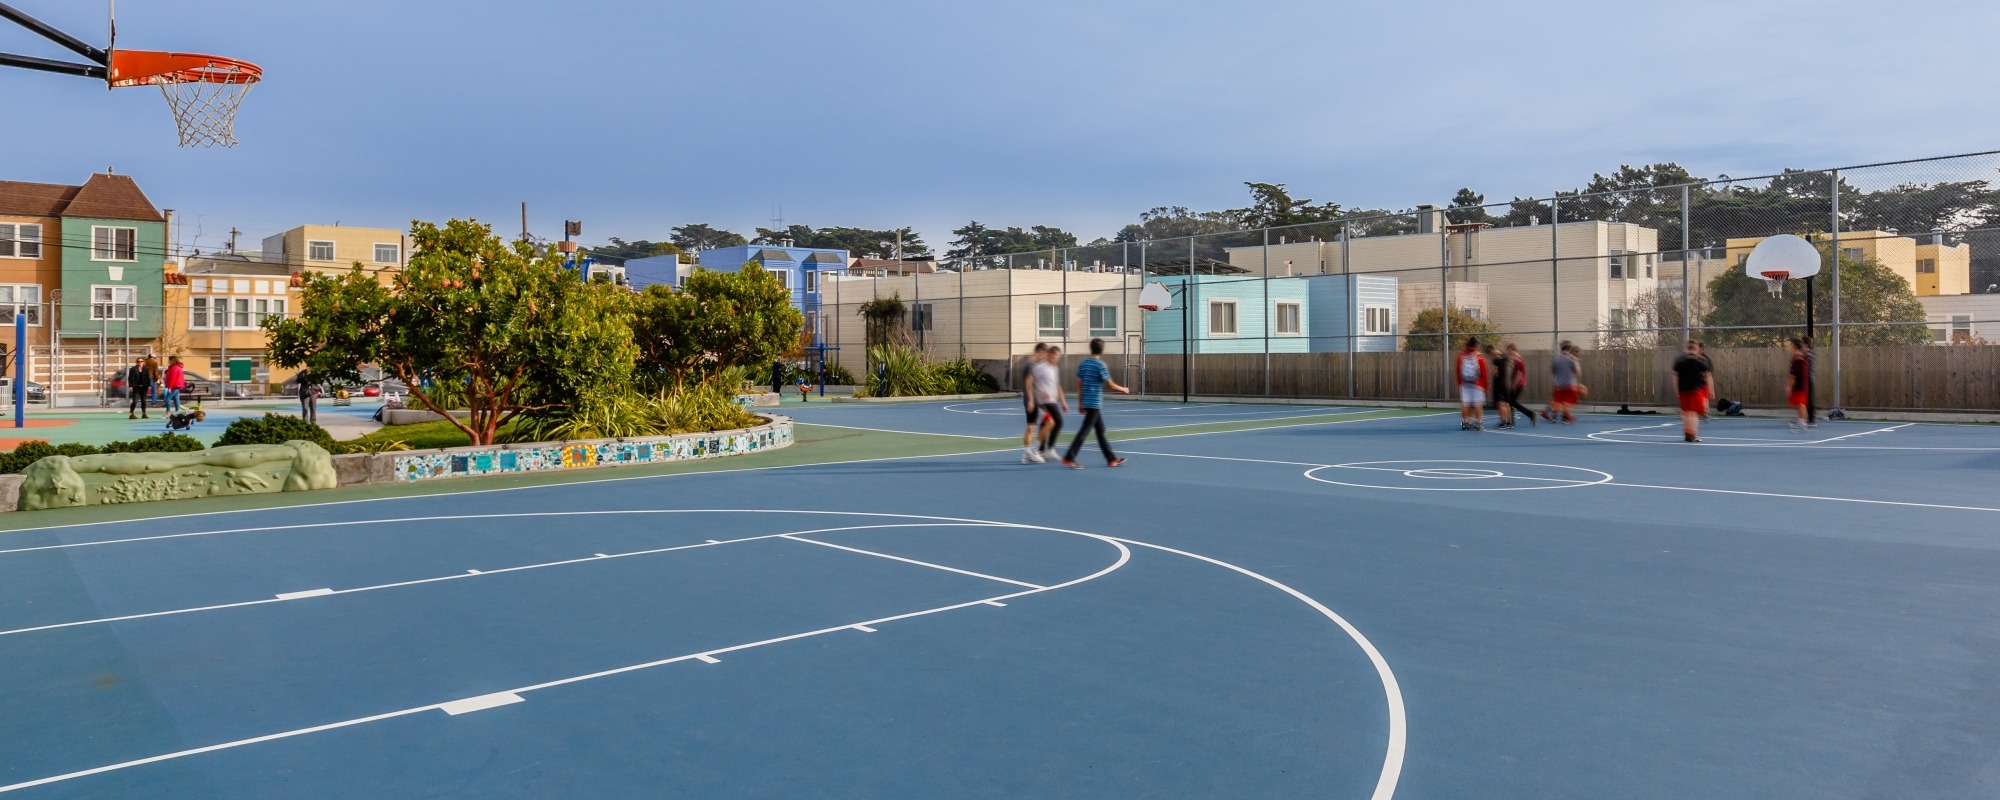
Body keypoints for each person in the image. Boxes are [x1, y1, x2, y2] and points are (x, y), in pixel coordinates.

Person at [1062, 338, 1131, 469]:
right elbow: (1110, 384)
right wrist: (1123, 389)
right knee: (1085, 430)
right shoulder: (1101, 365)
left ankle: (1111, 459)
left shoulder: (1083, 363)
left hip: (1088, 402)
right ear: (1102, 350)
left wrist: (1080, 403)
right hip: (1094, 403)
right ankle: (1069, 457)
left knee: (1100, 431)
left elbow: (1079, 383)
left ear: (1091, 348)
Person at [1671, 339, 1714, 443]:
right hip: (1696, 391)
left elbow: (1675, 377)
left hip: (1683, 391)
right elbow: (1708, 377)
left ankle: (1687, 432)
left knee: (1686, 412)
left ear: (1685, 349)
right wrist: (1711, 390)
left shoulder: (1680, 363)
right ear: (1697, 349)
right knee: (1693, 413)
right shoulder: (1701, 363)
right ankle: (1692, 434)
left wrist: (1676, 390)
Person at [1031, 345, 1067, 460]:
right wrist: (1040, 392)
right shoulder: (1040, 367)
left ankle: (1046, 450)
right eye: (1053, 356)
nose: (1055, 358)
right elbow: (1031, 381)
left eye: (1057, 356)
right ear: (1048, 355)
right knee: (1053, 422)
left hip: (1052, 401)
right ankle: (1040, 450)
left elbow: (1057, 386)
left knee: (1051, 424)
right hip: (1042, 402)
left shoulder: (1054, 369)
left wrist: (1063, 401)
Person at [1021, 343, 1050, 463]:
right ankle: (1028, 453)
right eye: (1043, 354)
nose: (1044, 357)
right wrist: (1031, 401)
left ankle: (1034, 450)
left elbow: (1035, 384)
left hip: (1037, 399)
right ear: (1039, 352)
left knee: (1049, 421)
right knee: (1031, 427)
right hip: (1031, 400)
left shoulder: (1034, 365)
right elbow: (1028, 383)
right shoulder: (1030, 364)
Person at [1544, 341, 1583, 424]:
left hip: (1559, 384)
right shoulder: (1572, 358)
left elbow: (1552, 370)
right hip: (1570, 384)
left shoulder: (1556, 358)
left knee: (1558, 401)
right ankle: (1565, 418)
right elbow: (1577, 371)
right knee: (1567, 401)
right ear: (1570, 348)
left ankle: (1555, 417)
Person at [1455, 336, 1489, 431]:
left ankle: (1466, 422)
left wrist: (1460, 383)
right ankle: (1479, 423)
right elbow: (1484, 373)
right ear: (1476, 345)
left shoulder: (1461, 356)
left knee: (1465, 403)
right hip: (1477, 383)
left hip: (1465, 383)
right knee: (1478, 403)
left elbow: (1458, 371)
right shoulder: (1479, 356)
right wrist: (1486, 386)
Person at [1786, 338, 1811, 432]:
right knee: (1800, 404)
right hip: (1802, 384)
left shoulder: (1798, 359)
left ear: (1795, 346)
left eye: (1791, 345)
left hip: (1799, 385)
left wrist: (1789, 386)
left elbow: (1794, 375)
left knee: (1801, 404)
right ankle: (1801, 421)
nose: (1790, 347)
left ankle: (1802, 423)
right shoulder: (1799, 357)